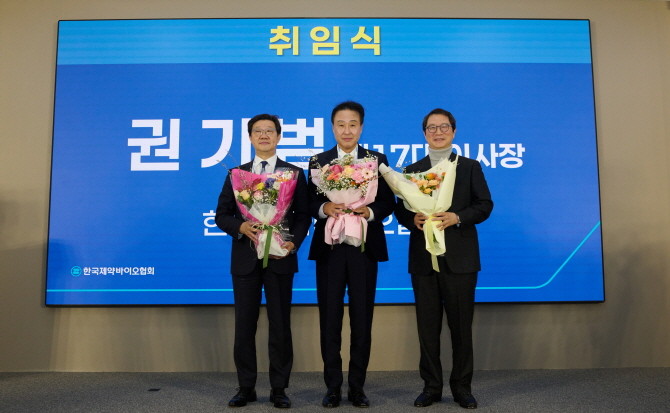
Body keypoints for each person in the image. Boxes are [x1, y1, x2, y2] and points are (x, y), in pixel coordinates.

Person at [394, 108, 493, 409]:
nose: (438, 132)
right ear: (424, 133)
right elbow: (400, 209)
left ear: (454, 131)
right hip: (423, 260)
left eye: (444, 127)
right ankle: (431, 387)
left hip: (460, 260)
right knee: (427, 328)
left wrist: (457, 217)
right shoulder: (412, 170)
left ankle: (462, 387)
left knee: (461, 328)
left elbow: (484, 205)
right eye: (432, 128)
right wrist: (412, 219)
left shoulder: (469, 167)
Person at [215, 113, 311, 409]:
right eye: (258, 131)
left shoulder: (294, 174)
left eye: (270, 130)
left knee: (280, 324)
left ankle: (279, 388)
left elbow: (303, 215)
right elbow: (222, 215)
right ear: (250, 137)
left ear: (279, 136)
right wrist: (241, 226)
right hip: (245, 259)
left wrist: (293, 242)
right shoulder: (236, 174)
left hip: (280, 257)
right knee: (245, 324)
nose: (264, 135)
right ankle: (246, 387)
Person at [307, 101, 395, 408]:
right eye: (341, 124)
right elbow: (308, 202)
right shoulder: (319, 161)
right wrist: (325, 207)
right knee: (329, 319)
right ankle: (332, 387)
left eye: (353, 124)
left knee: (362, 318)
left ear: (361, 127)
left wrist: (369, 212)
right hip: (330, 248)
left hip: (364, 248)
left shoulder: (376, 160)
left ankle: (357, 387)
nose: (347, 130)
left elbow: (388, 202)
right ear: (333, 127)